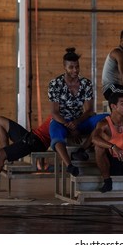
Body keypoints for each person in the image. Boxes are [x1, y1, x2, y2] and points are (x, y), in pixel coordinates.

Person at [48, 47, 108, 177]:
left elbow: (89, 110)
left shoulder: (86, 84)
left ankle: (82, 150)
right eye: (71, 67)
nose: (75, 70)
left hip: (80, 120)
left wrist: (76, 123)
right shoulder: (55, 84)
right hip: (62, 121)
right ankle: (69, 165)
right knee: (55, 134)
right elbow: (54, 112)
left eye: (77, 67)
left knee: (107, 118)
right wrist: (70, 126)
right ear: (64, 67)